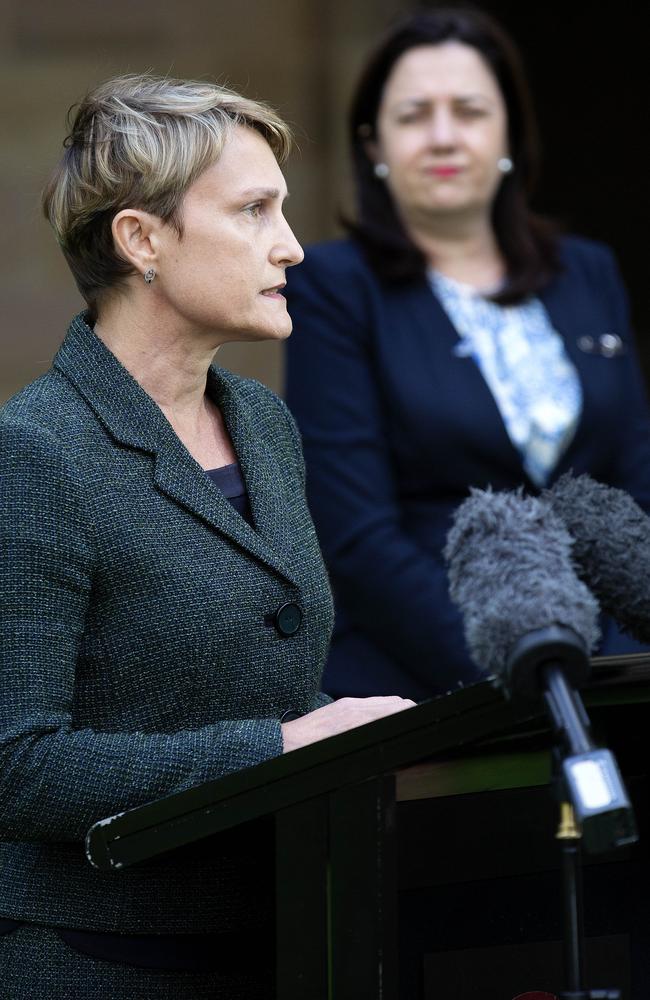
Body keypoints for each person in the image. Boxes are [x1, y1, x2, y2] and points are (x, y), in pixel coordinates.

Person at [0, 74, 414, 999]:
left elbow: (270, 674)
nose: (293, 247)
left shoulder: (265, 425)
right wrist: (284, 748)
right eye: (255, 210)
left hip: (290, 939)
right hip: (106, 967)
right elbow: (15, 769)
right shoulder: (32, 453)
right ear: (141, 239)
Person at [285, 8, 650, 703]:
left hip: (615, 672)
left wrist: (615, 667)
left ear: (509, 129)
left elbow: (638, 490)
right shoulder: (334, 288)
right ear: (373, 144)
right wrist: (523, 665)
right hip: (432, 679)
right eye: (415, 114)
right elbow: (356, 538)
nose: (444, 136)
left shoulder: (589, 271)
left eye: (470, 111)